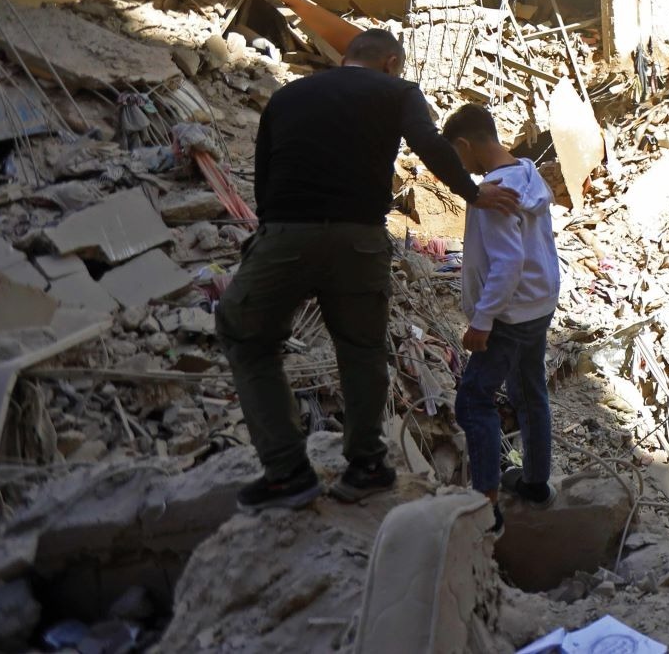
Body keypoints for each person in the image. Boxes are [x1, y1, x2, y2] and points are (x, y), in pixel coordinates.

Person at [217, 29, 521, 511]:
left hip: (286, 235)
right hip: (360, 240)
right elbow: (427, 143)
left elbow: (264, 172)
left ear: (346, 58)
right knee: (360, 349)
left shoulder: (289, 94)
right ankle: (366, 465)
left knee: (247, 336)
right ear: (391, 62)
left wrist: (271, 236)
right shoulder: (396, 91)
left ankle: (286, 471)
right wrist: (473, 191)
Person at [442, 103, 561, 530]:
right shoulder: (528, 173)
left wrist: (482, 320)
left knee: (473, 399)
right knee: (529, 391)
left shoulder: (493, 193)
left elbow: (506, 263)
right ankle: (535, 484)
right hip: (539, 304)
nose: (461, 168)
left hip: (509, 314)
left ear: (464, 145)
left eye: (457, 158)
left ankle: (486, 506)